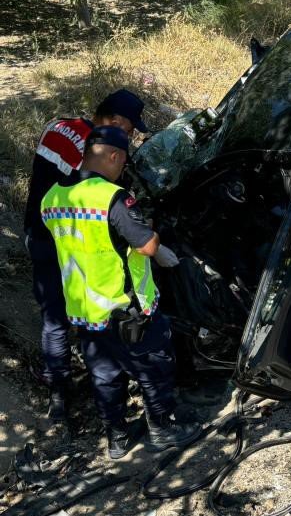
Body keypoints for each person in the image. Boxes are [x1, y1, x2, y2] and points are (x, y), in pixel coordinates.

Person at [39, 125, 200, 459]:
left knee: (104, 375)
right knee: (154, 367)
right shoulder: (111, 197)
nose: (122, 170)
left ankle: (117, 439)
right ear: (113, 156)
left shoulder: (51, 197)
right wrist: (156, 240)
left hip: (85, 310)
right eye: (122, 163)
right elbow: (145, 244)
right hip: (126, 308)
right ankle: (163, 428)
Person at [23, 89, 148, 422]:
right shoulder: (94, 148)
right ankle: (107, 391)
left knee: (54, 318)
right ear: (117, 121)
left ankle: (58, 395)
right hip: (75, 244)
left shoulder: (57, 126)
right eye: (131, 131)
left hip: (39, 234)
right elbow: (101, 192)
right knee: (96, 310)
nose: (129, 140)